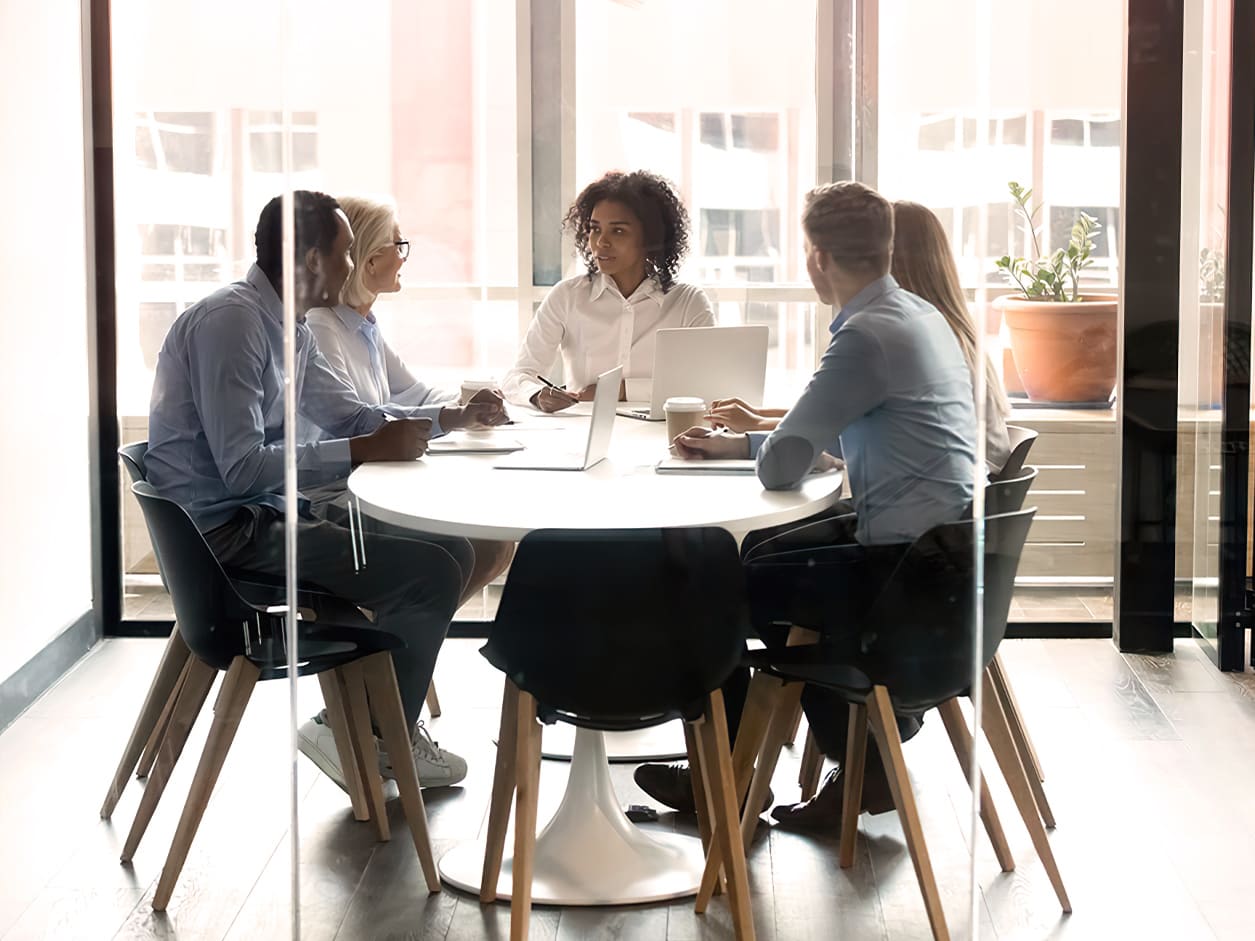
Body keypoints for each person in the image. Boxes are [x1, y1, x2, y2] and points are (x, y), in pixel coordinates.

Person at [634, 181, 979, 830]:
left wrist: (761, 448)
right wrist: (743, 444)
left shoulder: (865, 336)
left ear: (816, 257)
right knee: (761, 555)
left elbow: (783, 463)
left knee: (710, 578)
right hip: (944, 557)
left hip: (902, 574)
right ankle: (852, 755)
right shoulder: (915, 315)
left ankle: (729, 776)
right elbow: (843, 435)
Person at [146, 190, 482, 793]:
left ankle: (368, 726)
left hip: (261, 517)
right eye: (346, 252)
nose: (351, 265)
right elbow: (241, 469)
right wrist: (360, 450)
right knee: (430, 572)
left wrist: (450, 419)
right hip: (221, 540)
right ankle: (371, 737)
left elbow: (351, 417)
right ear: (310, 260)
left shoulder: (290, 328)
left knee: (454, 549)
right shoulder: (233, 324)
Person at [301, 193, 514, 597]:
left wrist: (470, 402)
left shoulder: (364, 325)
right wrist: (454, 415)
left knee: (495, 541)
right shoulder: (321, 327)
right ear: (369, 261)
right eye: (398, 246)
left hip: (373, 482)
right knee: (474, 544)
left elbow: (415, 393)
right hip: (334, 498)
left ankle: (406, 629)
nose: (403, 257)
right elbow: (357, 419)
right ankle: (399, 629)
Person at [706, 199, 1011, 473]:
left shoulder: (895, 339)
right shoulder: (944, 330)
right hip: (968, 504)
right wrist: (758, 418)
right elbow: (857, 419)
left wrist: (747, 438)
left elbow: (839, 438)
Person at [501, 170, 715, 411]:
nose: (601, 242)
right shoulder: (567, 296)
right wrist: (537, 395)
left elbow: (707, 386)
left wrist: (620, 390)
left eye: (618, 231)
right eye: (595, 229)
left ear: (650, 237)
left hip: (662, 431)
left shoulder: (688, 303)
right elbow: (517, 376)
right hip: (582, 430)